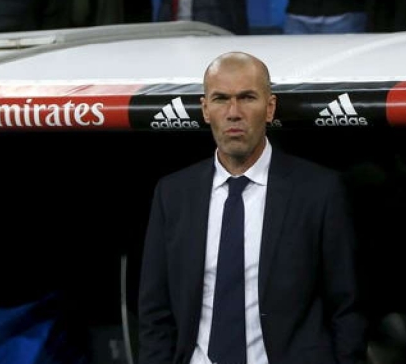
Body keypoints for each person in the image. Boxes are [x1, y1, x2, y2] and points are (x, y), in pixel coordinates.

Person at [138, 51, 366, 364]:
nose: (234, 112)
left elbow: (346, 307)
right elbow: (155, 312)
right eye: (220, 99)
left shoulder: (319, 192)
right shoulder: (173, 194)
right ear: (205, 109)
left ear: (269, 107)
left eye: (247, 97)